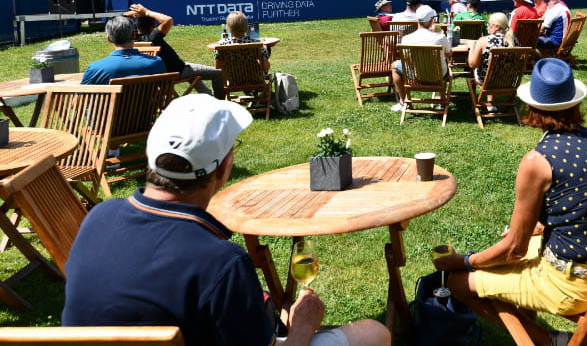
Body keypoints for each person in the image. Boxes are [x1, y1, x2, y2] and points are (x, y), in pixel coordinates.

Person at [62, 94, 390, 346]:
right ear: (223, 169)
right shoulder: (220, 262)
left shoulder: (98, 218)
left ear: (150, 156)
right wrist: (303, 324)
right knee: (373, 333)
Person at [431, 59, 587, 345]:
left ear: (533, 107)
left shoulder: (538, 161)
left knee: (458, 281)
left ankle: (547, 341)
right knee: (512, 248)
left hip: (572, 287)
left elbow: (513, 250)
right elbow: (579, 204)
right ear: (574, 103)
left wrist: (464, 260)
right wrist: (539, 225)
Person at [127, 3, 224, 98]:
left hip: (161, 75)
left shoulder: (132, 39)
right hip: (177, 71)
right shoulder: (153, 37)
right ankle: (220, 102)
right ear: (153, 26)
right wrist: (147, 12)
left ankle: (209, 95)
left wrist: (130, 14)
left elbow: (115, 27)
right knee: (217, 73)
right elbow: (168, 20)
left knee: (193, 71)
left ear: (137, 26)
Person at [391, 5, 451, 112]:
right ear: (432, 20)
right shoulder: (440, 38)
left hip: (417, 77)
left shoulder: (406, 39)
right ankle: (442, 100)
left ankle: (403, 102)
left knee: (395, 65)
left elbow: (406, 60)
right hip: (438, 77)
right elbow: (449, 54)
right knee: (444, 62)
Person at [82, 16, 166, 85]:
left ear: (109, 39)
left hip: (112, 106)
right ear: (134, 35)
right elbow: (163, 91)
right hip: (146, 105)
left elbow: (79, 101)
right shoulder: (156, 63)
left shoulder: (95, 69)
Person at [469, 12, 513, 84]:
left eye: (489, 23)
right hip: (508, 80)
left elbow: (473, 64)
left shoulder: (484, 41)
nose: (487, 26)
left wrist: (471, 48)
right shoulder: (513, 40)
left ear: (497, 27)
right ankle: (491, 94)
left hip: (487, 80)